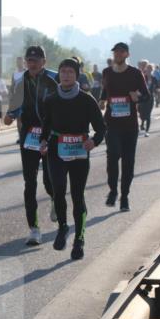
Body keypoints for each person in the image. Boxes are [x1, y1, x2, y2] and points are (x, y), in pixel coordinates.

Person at [39, 59, 105, 260]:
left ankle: (79, 238)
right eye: (63, 71)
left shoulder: (87, 100)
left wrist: (94, 141)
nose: (66, 75)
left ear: (77, 75)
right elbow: (46, 126)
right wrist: (43, 141)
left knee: (77, 195)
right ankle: (62, 227)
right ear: (59, 75)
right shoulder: (50, 100)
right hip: (57, 151)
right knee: (58, 191)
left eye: (70, 72)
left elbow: (101, 128)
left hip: (79, 151)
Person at [5, 45, 59, 245]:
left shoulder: (52, 81)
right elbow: (15, 105)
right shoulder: (21, 82)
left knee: (48, 180)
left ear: (43, 62)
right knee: (30, 183)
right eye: (29, 60)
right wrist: (10, 115)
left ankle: (55, 199)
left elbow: (60, 104)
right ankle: (34, 229)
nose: (32, 63)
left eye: (36, 60)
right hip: (28, 136)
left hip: (49, 135)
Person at [100, 42, 149, 212]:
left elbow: (146, 96)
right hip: (112, 123)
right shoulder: (106, 72)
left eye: (121, 52)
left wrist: (138, 98)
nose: (118, 55)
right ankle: (113, 190)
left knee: (128, 162)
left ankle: (125, 197)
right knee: (113, 156)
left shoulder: (135, 73)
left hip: (129, 125)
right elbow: (104, 91)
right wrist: (101, 100)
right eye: (116, 52)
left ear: (127, 54)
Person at [137, 61, 155, 137]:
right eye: (148, 69)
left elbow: (158, 86)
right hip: (142, 98)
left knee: (148, 114)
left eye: (150, 69)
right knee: (141, 113)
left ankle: (147, 131)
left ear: (152, 70)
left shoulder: (154, 78)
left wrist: (158, 89)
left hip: (150, 98)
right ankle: (142, 122)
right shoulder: (143, 77)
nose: (149, 70)